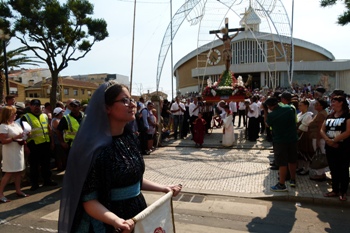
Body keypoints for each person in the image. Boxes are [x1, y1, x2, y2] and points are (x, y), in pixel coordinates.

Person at [58, 81, 182, 232]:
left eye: (131, 100)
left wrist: (164, 188)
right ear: (107, 107)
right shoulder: (93, 149)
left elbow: (133, 179)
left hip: (135, 214)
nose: (132, 105)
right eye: (124, 100)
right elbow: (89, 200)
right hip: (109, 222)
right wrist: (116, 221)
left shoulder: (130, 138)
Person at [21, 99, 57, 191]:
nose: (36, 107)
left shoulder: (44, 116)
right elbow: (23, 133)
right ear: (30, 106)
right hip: (34, 145)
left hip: (45, 143)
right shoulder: (26, 117)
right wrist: (25, 146)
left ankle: (47, 180)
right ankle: (35, 183)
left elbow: (49, 129)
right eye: (34, 105)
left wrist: (52, 142)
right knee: (34, 165)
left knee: (46, 164)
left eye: (38, 105)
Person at [320, 95, 350, 201]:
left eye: (334, 101)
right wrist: (328, 141)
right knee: (333, 169)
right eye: (331, 101)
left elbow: (348, 131)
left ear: (341, 102)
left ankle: (343, 191)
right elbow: (322, 130)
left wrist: (334, 140)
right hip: (330, 146)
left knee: (343, 169)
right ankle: (335, 190)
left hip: (343, 147)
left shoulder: (347, 115)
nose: (332, 103)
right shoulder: (330, 116)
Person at [265, 97, 298, 191]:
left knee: (282, 163)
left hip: (280, 141)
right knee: (292, 160)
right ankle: (293, 180)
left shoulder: (272, 115)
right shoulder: (289, 109)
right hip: (292, 139)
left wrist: (265, 112)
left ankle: (281, 184)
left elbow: (267, 124)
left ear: (270, 106)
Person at [0, 106, 28, 203]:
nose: (16, 115)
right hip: (10, 151)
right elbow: (3, 141)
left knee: (19, 171)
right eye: (14, 113)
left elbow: (21, 134)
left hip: (18, 150)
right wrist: (15, 137)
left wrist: (26, 134)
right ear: (8, 114)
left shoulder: (16, 123)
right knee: (9, 172)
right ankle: (0, 193)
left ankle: (18, 190)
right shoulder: (3, 126)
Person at [308, 99, 329, 181]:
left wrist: (317, 140)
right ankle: (321, 172)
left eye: (317, 104)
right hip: (317, 137)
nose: (315, 106)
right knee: (320, 153)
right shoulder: (320, 113)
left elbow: (320, 128)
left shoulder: (321, 115)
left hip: (318, 138)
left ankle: (320, 173)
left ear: (321, 106)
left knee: (319, 155)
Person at [296, 100, 314, 175]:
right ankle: (300, 167)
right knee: (299, 152)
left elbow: (302, 127)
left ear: (306, 106)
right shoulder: (299, 114)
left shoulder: (308, 115)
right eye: (299, 105)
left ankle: (306, 169)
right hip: (298, 136)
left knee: (305, 152)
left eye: (301, 105)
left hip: (304, 136)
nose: (299, 107)